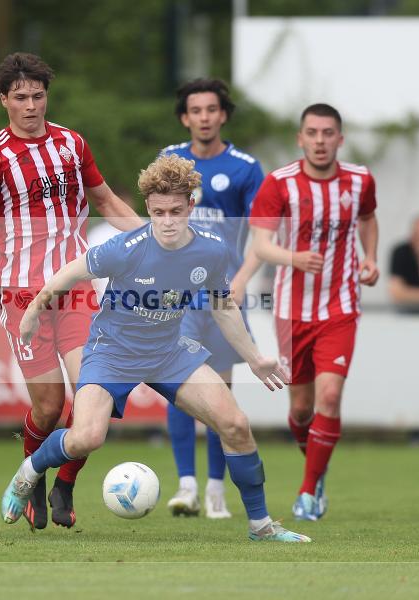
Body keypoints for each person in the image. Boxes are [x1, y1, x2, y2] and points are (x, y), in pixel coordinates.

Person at [0, 154, 310, 543]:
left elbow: (222, 305)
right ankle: (28, 474)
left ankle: (261, 527)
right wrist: (32, 311)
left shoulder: (212, 249)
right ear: (148, 207)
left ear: (190, 206)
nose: (167, 221)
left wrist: (254, 357)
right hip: (111, 352)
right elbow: (70, 272)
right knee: (86, 437)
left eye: (176, 211)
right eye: (159, 211)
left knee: (235, 424)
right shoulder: (126, 247)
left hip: (168, 353)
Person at [0, 53, 143, 530]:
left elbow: (106, 200)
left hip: (75, 289)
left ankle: (66, 481)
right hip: (20, 299)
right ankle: (31, 478)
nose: (31, 106)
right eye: (20, 98)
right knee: (50, 407)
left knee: (94, 397)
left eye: (37, 95)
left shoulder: (72, 144)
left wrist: (155, 242)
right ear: (4, 101)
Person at [250, 103, 379, 521]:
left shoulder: (359, 180)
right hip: (291, 312)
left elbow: (368, 218)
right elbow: (261, 245)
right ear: (300, 138)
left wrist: (370, 258)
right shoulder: (280, 183)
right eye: (313, 133)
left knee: (330, 395)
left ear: (340, 139)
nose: (320, 141)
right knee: (302, 409)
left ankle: (307, 493)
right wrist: (293, 258)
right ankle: (316, 468)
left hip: (340, 307)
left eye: (328, 133)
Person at [159, 78, 265, 519]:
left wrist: (240, 280)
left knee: (220, 389)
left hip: (221, 295)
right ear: (185, 117)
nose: (204, 117)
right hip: (178, 297)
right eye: (195, 110)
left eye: (211, 109)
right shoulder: (170, 161)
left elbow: (262, 236)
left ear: (223, 115)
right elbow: (157, 226)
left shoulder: (244, 167)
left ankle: (217, 488)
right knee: (181, 387)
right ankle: (187, 486)